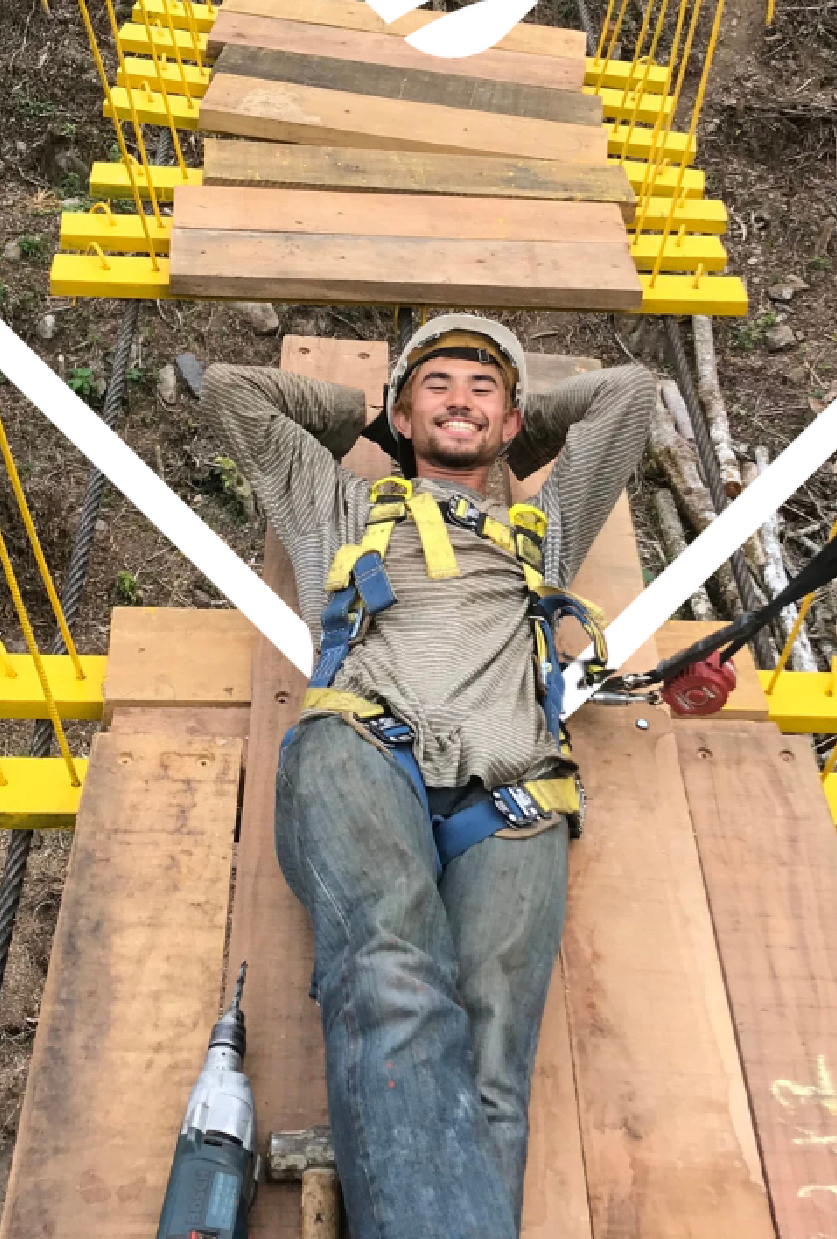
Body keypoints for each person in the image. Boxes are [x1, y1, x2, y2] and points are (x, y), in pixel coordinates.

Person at [198, 316, 661, 1238]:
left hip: (515, 791)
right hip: (362, 744)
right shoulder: (336, 504)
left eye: (482, 389)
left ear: (511, 419)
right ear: (403, 416)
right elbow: (229, 390)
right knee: (391, 974)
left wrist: (513, 427)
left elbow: (630, 393)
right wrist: (366, 418)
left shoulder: (542, 527)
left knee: (494, 1073)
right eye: (437, 386)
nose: (461, 399)